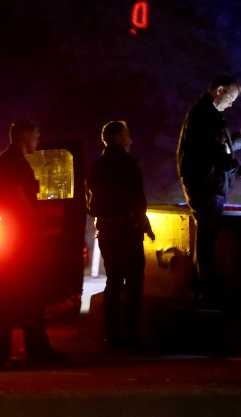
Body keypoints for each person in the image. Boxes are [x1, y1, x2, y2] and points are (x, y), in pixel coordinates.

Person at [177, 75, 241, 309]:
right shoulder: (203, 114)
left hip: (210, 184)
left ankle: (200, 291)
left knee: (206, 239)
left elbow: (219, 146)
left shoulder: (209, 114)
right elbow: (212, 152)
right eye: (231, 97)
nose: (232, 103)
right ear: (219, 90)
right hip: (205, 185)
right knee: (206, 241)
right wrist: (239, 170)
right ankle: (209, 295)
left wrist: (239, 138)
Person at [0, 119, 67, 363]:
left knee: (10, 296)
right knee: (29, 294)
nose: (38, 140)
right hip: (20, 239)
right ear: (24, 135)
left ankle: (3, 351)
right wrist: (36, 219)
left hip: (12, 238)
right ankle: (36, 350)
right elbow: (18, 194)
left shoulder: (4, 161)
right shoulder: (13, 162)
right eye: (36, 135)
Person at [86, 120, 155, 350]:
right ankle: (132, 332)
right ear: (117, 137)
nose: (131, 140)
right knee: (135, 281)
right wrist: (145, 226)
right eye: (127, 135)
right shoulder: (128, 164)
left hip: (106, 230)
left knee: (113, 281)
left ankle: (111, 334)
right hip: (127, 229)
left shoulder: (96, 166)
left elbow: (91, 203)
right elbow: (138, 199)